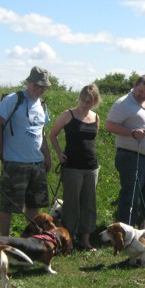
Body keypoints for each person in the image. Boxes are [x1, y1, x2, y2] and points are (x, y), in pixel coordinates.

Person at [0, 66, 52, 236]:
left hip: (36, 162)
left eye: (43, 87)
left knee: (34, 204)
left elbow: (41, 132)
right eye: (36, 85)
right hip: (15, 161)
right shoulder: (13, 99)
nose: (39, 90)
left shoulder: (42, 105)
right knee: (8, 205)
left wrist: (47, 154)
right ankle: (3, 239)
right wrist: (0, 149)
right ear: (28, 82)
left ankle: (34, 239)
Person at [49, 84, 101, 251]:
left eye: (90, 101)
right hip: (72, 166)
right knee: (71, 204)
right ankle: (68, 239)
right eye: (84, 100)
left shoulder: (96, 117)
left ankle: (85, 239)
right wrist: (59, 153)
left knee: (89, 203)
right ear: (79, 98)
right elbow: (53, 134)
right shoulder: (68, 114)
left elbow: (92, 139)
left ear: (95, 102)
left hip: (91, 166)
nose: (86, 104)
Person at [105, 75, 145, 226]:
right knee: (130, 195)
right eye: (141, 91)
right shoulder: (123, 103)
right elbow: (109, 125)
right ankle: (124, 228)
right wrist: (132, 133)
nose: (142, 95)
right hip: (132, 156)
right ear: (135, 85)